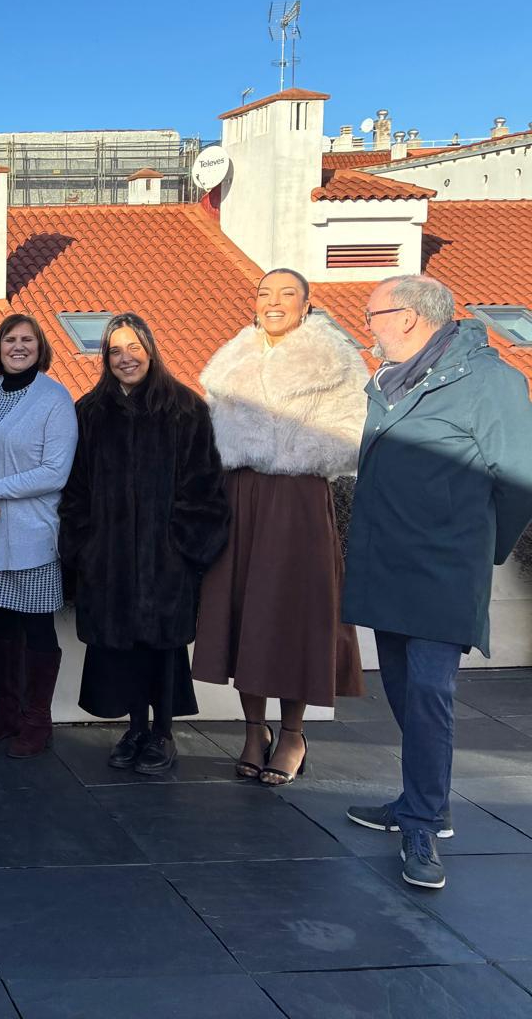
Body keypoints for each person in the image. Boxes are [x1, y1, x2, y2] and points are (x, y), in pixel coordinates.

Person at [342, 275, 532, 891]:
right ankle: (419, 800)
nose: (367, 326)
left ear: (407, 317)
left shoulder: (492, 382)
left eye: (372, 315)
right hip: (387, 563)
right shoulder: (390, 382)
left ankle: (424, 822)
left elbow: (520, 480)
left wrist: (480, 550)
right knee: (401, 688)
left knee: (428, 692)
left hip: (445, 568)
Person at [193, 269, 368, 786]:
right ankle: (254, 731)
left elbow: (355, 432)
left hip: (298, 498)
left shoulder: (334, 360)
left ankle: (293, 734)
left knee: (294, 613)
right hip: (238, 495)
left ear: (306, 304)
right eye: (264, 293)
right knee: (242, 610)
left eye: (287, 294)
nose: (273, 302)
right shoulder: (233, 358)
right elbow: (210, 433)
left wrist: (294, 452)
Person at [59, 313, 229, 775]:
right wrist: (85, 546)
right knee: (122, 650)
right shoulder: (89, 412)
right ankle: (135, 729)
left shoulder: (185, 408)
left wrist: (183, 547)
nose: (125, 358)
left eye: (133, 347)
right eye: (115, 350)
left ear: (151, 350)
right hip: (109, 560)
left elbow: (206, 486)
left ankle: (163, 734)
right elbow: (75, 489)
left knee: (163, 650)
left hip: (166, 561)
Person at [0, 314, 77, 757]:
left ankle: (37, 720)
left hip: (31, 534)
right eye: (10, 339)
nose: (18, 346)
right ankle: (5, 713)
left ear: (40, 347)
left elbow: (55, 471)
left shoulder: (54, 398)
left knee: (37, 627)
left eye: (28, 339)